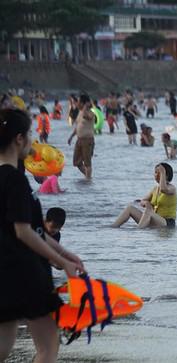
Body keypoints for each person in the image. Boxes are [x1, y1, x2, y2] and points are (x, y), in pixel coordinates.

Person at [0, 108, 85, 363]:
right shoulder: (15, 180)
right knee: (48, 346)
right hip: (26, 272)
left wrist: (65, 254)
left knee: (2, 347)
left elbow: (34, 228)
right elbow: (23, 232)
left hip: (4, 271)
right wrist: (62, 263)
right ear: (18, 139)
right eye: (29, 134)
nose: (31, 140)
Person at [112, 163, 177, 228]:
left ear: (166, 175)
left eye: (159, 173)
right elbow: (143, 200)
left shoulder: (172, 188)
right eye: (155, 172)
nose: (156, 175)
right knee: (130, 208)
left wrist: (162, 171)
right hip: (154, 219)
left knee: (148, 212)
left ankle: (138, 231)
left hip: (167, 222)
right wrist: (146, 203)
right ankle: (113, 227)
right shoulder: (155, 189)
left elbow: (163, 189)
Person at [67, 94, 95, 179]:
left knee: (87, 163)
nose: (77, 103)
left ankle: (88, 179)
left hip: (87, 140)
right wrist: (71, 136)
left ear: (83, 103)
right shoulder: (80, 112)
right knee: (77, 162)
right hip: (79, 140)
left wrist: (86, 108)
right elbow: (78, 126)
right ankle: (88, 177)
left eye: (79, 102)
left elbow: (89, 117)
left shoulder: (90, 113)